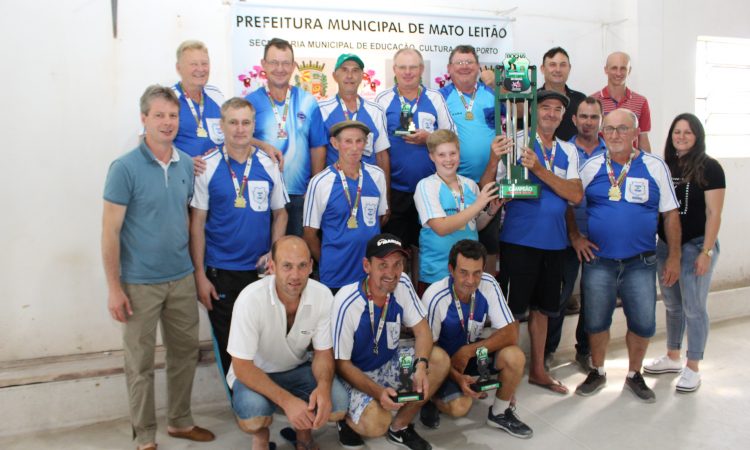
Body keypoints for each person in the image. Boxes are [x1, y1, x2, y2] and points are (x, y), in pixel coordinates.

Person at [102, 85, 214, 450]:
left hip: (180, 278)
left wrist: (196, 274)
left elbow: (187, 221)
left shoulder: (185, 164)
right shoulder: (124, 168)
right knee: (140, 364)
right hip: (138, 284)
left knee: (184, 355)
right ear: (144, 118)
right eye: (159, 115)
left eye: (172, 115)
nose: (167, 122)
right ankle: (145, 436)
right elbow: (110, 232)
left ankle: (180, 422)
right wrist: (114, 287)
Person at [481, 89, 583, 395]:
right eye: (546, 108)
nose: (551, 114)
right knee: (510, 312)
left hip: (555, 243)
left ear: (564, 116)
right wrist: (493, 157)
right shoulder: (515, 139)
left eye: (557, 110)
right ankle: (504, 369)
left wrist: (539, 169)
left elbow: (575, 195)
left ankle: (538, 369)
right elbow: (489, 186)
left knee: (543, 310)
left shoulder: (569, 150)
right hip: (518, 241)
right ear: (535, 110)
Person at [574, 109, 681, 403]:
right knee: (596, 322)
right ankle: (597, 369)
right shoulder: (591, 166)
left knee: (643, 322)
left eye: (622, 129)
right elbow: (569, 202)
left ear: (635, 133)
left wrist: (674, 256)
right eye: (609, 129)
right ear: (601, 133)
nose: (615, 135)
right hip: (599, 261)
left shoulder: (655, 166)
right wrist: (575, 237)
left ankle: (634, 374)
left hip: (641, 262)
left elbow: (670, 214)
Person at [189, 97, 289, 378]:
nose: (239, 129)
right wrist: (200, 274)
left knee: (263, 343)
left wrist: (274, 253)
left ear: (254, 126)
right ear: (222, 126)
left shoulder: (268, 164)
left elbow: (281, 213)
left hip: (260, 272)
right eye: (233, 122)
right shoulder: (206, 166)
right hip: (221, 271)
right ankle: (243, 407)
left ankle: (262, 402)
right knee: (230, 346)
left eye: (245, 122)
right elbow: (197, 222)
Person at [227, 236, 349, 450]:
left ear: (311, 266)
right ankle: (262, 439)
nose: (295, 275)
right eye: (287, 266)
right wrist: (287, 401)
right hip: (255, 373)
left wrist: (323, 387)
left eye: (302, 266)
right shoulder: (249, 300)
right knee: (252, 415)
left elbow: (323, 354)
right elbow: (242, 367)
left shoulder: (322, 296)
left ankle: (304, 438)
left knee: (337, 405)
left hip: (296, 369)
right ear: (272, 267)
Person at [332, 233, 450, 450]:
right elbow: (341, 364)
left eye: (398, 264)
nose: (391, 273)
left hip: (388, 362)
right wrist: (377, 393)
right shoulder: (346, 302)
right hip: (356, 373)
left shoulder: (402, 282)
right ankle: (346, 421)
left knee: (439, 359)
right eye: (383, 265)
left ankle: (400, 428)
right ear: (367, 266)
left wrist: (421, 366)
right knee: (377, 424)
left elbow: (423, 330)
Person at [643, 113, 725, 393]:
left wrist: (706, 252)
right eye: (677, 132)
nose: (681, 136)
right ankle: (673, 355)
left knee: (694, 308)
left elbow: (714, 214)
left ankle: (693, 366)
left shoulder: (710, 167)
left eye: (687, 132)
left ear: (697, 136)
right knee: (672, 304)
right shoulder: (665, 165)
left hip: (697, 245)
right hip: (667, 245)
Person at [420, 240, 532, 439]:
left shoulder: (488, 284)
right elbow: (429, 349)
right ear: (451, 270)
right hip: (443, 362)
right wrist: (455, 376)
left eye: (477, 272)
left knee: (514, 356)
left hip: (472, 354)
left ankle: (499, 412)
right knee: (460, 408)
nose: (471, 280)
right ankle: (431, 396)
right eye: (463, 272)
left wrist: (469, 351)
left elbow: (511, 332)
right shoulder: (435, 296)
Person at [545, 97, 607, 371]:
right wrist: (574, 235)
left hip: (601, 238)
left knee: (594, 298)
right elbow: (563, 197)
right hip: (566, 233)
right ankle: (549, 350)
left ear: (601, 120)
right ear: (574, 119)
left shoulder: (612, 150)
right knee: (559, 296)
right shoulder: (562, 150)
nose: (588, 122)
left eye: (594, 117)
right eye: (583, 116)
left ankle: (585, 350)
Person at [246, 38, 327, 237]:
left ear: (293, 66)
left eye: (285, 63)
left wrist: (313, 189)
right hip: (262, 193)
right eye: (274, 62)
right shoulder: (250, 103)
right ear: (263, 65)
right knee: (266, 257)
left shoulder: (308, 101)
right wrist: (262, 145)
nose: (280, 68)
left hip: (299, 195)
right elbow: (239, 139)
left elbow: (317, 147)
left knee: (297, 257)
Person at [376, 49, 455, 250]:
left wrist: (430, 139)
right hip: (396, 190)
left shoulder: (435, 98)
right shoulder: (383, 100)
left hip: (431, 188)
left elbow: (452, 137)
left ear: (421, 69)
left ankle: (421, 282)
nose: (408, 72)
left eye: (413, 67)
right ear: (394, 70)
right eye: (402, 67)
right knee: (396, 250)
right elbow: (377, 148)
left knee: (427, 247)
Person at [303, 120, 388, 292]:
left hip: (369, 274)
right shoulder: (320, 182)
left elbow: (380, 218)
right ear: (335, 143)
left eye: (359, 141)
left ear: (365, 143)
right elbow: (309, 234)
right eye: (348, 141)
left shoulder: (377, 175)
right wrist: (327, 260)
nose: (355, 147)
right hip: (335, 274)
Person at [440, 45, 502, 274]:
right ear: (449, 68)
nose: (464, 67)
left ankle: (488, 300)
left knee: (488, 246)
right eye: (459, 62)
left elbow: (515, 118)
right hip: (453, 185)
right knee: (455, 247)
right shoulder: (441, 97)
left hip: (489, 183)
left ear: (478, 67)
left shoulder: (492, 95)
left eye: (469, 62)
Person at [172, 40, 281, 172]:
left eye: (204, 64)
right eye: (193, 64)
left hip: (217, 179)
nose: (200, 69)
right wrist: (182, 162)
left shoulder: (216, 95)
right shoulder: (169, 99)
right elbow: (151, 142)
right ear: (179, 68)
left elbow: (235, 132)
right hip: (183, 181)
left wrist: (263, 146)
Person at [414, 130, 500, 291]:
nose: (448, 159)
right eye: (441, 155)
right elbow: (441, 227)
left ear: (459, 153)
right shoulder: (426, 186)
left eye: (452, 153)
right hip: (437, 273)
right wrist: (479, 203)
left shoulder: (470, 185)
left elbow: (474, 224)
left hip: (468, 275)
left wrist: (490, 211)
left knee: (467, 316)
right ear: (432, 156)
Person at [319, 53, 391, 179]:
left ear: (362, 76)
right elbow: (318, 153)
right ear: (335, 76)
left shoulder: (376, 110)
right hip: (335, 186)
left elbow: (381, 155)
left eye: (355, 70)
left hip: (369, 186)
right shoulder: (321, 109)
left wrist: (386, 196)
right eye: (344, 70)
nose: (350, 76)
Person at [592, 51, 653, 152]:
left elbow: (643, 139)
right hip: (601, 162)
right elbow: (589, 138)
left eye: (623, 68)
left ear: (629, 70)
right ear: (606, 70)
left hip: (631, 163)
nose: (618, 73)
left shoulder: (641, 102)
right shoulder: (594, 101)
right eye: (614, 68)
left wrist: (647, 165)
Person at [538, 47, 586, 141]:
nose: (558, 69)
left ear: (569, 68)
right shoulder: (531, 99)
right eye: (552, 65)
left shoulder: (581, 100)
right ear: (542, 69)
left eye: (563, 65)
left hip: (573, 155)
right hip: (537, 154)